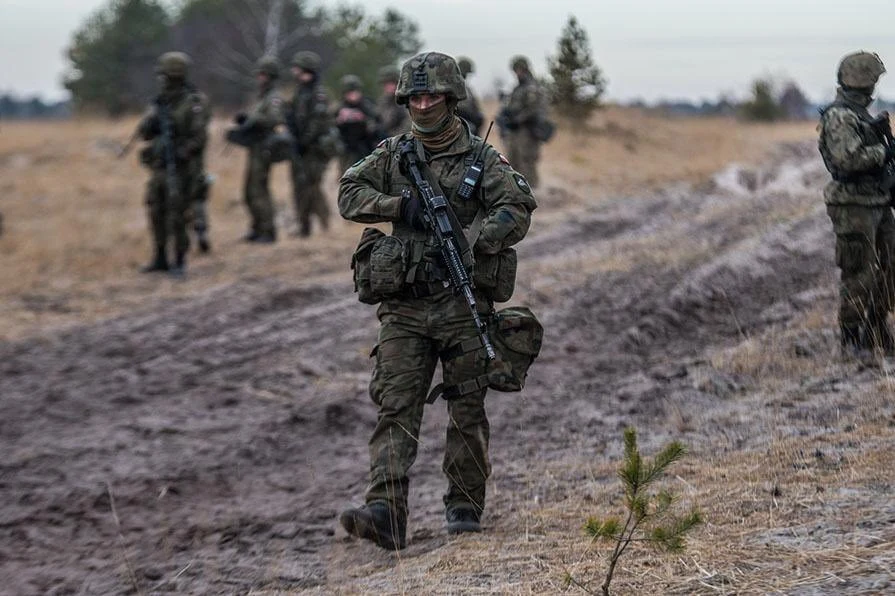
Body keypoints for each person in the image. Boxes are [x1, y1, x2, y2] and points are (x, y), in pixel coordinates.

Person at [337, 51, 537, 550]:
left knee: (466, 408)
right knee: (395, 407)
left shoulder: (482, 158)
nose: (423, 105)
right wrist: (397, 205)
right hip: (404, 307)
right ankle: (386, 510)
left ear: (451, 99)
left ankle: (464, 506)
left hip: (461, 303)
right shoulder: (393, 153)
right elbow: (348, 193)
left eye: (433, 97)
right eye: (416, 97)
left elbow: (517, 208)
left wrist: (476, 240)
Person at [818, 51, 895, 358]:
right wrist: (883, 154)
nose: (875, 86)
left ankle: (875, 332)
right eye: (873, 80)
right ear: (863, 81)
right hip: (853, 205)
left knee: (889, 269)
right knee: (859, 273)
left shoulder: (861, 115)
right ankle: (851, 341)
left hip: (877, 201)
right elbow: (846, 160)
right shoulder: (840, 116)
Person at [137, 51, 210, 276]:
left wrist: (181, 151)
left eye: (164, 75)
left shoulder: (194, 102)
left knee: (177, 214)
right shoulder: (160, 102)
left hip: (182, 169)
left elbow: (199, 138)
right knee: (155, 210)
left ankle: (179, 260)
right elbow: (144, 133)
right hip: (159, 167)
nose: (162, 80)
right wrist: (152, 120)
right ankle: (160, 258)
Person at [229, 56, 285, 243]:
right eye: (259, 74)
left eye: (263, 74)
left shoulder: (273, 97)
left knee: (259, 188)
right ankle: (257, 227)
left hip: (265, 147)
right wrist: (246, 120)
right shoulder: (262, 96)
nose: (260, 77)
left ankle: (268, 231)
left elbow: (275, 118)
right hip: (255, 146)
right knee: (249, 190)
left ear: (270, 76)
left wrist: (253, 120)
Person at [287, 51, 336, 237]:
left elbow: (318, 122)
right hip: (302, 148)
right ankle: (303, 226)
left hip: (315, 149)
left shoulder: (318, 94)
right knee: (300, 187)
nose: (294, 72)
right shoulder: (300, 92)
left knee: (312, 187)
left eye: (297, 68)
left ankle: (325, 224)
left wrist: (304, 141)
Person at [500, 55, 548, 189]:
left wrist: (518, 119)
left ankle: (532, 192)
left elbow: (533, 109)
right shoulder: (518, 88)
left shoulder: (531, 87)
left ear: (524, 69)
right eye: (515, 71)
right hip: (516, 132)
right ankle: (516, 192)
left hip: (527, 131)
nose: (517, 74)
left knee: (527, 162)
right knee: (512, 162)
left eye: (518, 70)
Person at [334, 74, 381, 174]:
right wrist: (339, 121)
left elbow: (377, 126)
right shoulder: (340, 107)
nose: (352, 96)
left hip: (365, 149)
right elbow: (331, 127)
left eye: (354, 92)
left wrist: (363, 120)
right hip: (347, 150)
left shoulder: (367, 106)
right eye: (349, 93)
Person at [376, 66, 409, 138]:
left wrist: (393, 137)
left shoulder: (406, 99)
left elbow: (409, 124)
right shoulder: (383, 101)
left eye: (391, 84)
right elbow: (377, 118)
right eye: (386, 84)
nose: (388, 87)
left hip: (402, 139)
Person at [456, 56, 484, 136]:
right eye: (466, 73)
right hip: (461, 124)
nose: (466, 76)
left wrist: (478, 117)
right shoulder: (454, 88)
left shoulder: (467, 88)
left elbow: (475, 105)